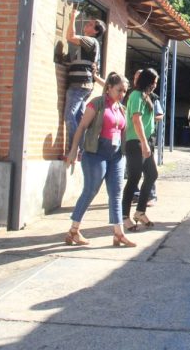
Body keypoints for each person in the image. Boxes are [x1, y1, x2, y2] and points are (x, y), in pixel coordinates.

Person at [65, 72, 135, 248]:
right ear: (109, 88)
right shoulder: (96, 103)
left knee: (116, 193)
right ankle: (74, 230)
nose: (122, 94)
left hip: (116, 155)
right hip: (95, 153)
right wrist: (73, 150)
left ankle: (119, 233)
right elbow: (82, 127)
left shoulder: (121, 109)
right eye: (119, 90)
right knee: (90, 190)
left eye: (125, 91)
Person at [121, 68, 162, 231]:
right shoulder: (136, 95)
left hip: (145, 141)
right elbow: (136, 120)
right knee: (134, 178)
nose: (155, 85)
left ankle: (140, 212)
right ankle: (124, 216)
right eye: (154, 82)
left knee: (152, 175)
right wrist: (144, 143)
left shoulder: (147, 96)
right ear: (147, 81)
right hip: (136, 142)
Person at [64, 10, 105, 154]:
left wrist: (72, 18)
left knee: (69, 116)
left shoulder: (90, 41)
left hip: (79, 85)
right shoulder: (90, 44)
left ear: (95, 31)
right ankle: (81, 150)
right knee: (79, 118)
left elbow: (70, 37)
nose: (87, 24)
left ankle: (74, 149)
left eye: (91, 24)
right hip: (84, 85)